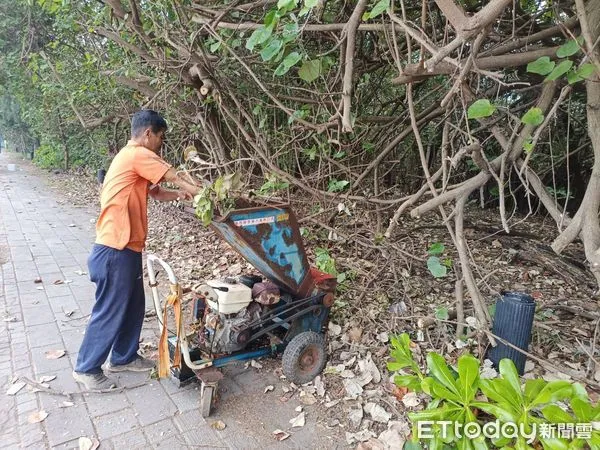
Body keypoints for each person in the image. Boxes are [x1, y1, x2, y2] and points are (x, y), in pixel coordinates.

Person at [73, 110, 201, 390]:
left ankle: (123, 357)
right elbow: (172, 175)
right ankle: (87, 368)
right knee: (110, 309)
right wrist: (199, 190)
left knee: (133, 305)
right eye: (160, 137)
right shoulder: (135, 154)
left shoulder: (132, 161)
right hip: (113, 249)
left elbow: (156, 192)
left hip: (127, 248)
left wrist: (182, 195)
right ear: (147, 134)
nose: (161, 143)